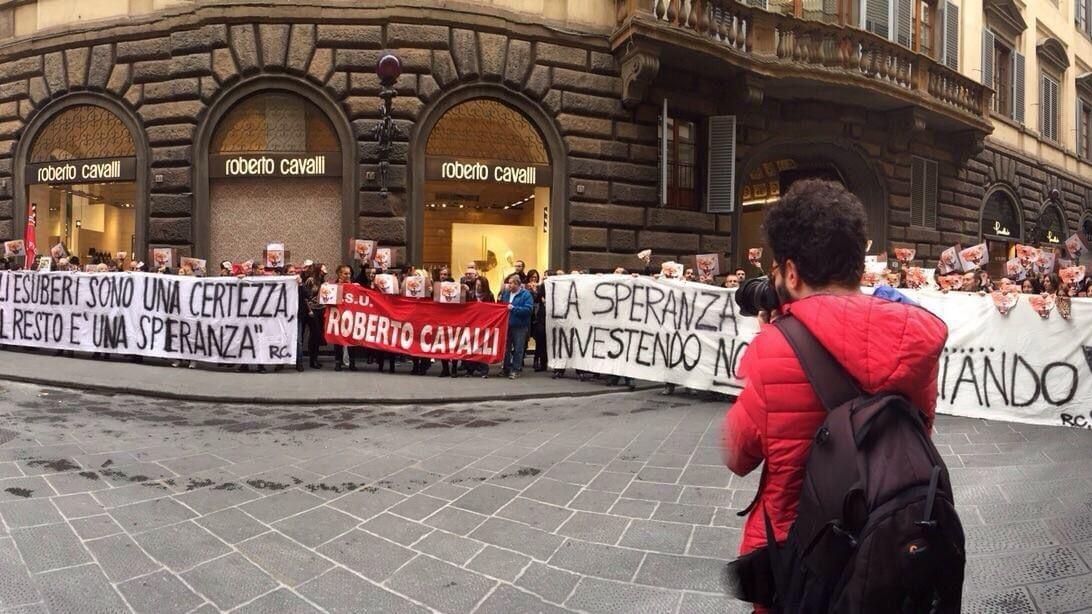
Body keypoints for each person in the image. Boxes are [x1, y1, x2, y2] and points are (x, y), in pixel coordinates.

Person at [722, 180, 947, 607]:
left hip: (802, 556)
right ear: (857, 265)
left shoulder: (774, 344)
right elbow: (920, 430)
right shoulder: (911, 335)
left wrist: (772, 339)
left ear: (790, 273)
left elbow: (738, 455)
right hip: (890, 547)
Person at [498, 273, 533, 379]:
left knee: (518, 349)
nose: (509, 285)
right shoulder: (506, 294)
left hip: (520, 326)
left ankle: (515, 369)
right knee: (506, 348)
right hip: (507, 325)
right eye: (508, 283)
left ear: (517, 284)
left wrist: (514, 308)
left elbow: (528, 310)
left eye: (511, 283)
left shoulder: (526, 295)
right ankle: (506, 369)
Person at [466, 276, 494, 377]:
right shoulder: (470, 294)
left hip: (484, 324)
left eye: (480, 285)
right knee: (471, 347)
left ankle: (483, 370)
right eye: (477, 285)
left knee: (483, 347)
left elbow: (493, 309)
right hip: (472, 323)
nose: (478, 287)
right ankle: (470, 370)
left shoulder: (489, 295)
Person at [332, 265, 357, 372]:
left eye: (349, 274)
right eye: (345, 273)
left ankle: (352, 362)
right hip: (337, 317)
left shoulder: (354, 286)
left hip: (351, 317)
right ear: (339, 274)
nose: (348, 276)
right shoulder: (332, 286)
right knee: (337, 340)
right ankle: (338, 362)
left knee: (351, 340)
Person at [303, 263, 327, 369]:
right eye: (324, 267)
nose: (326, 269)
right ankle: (312, 360)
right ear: (319, 270)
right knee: (314, 334)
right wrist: (309, 310)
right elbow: (305, 296)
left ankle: (316, 358)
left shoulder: (324, 281)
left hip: (322, 309)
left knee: (319, 334)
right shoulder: (311, 280)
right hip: (313, 310)